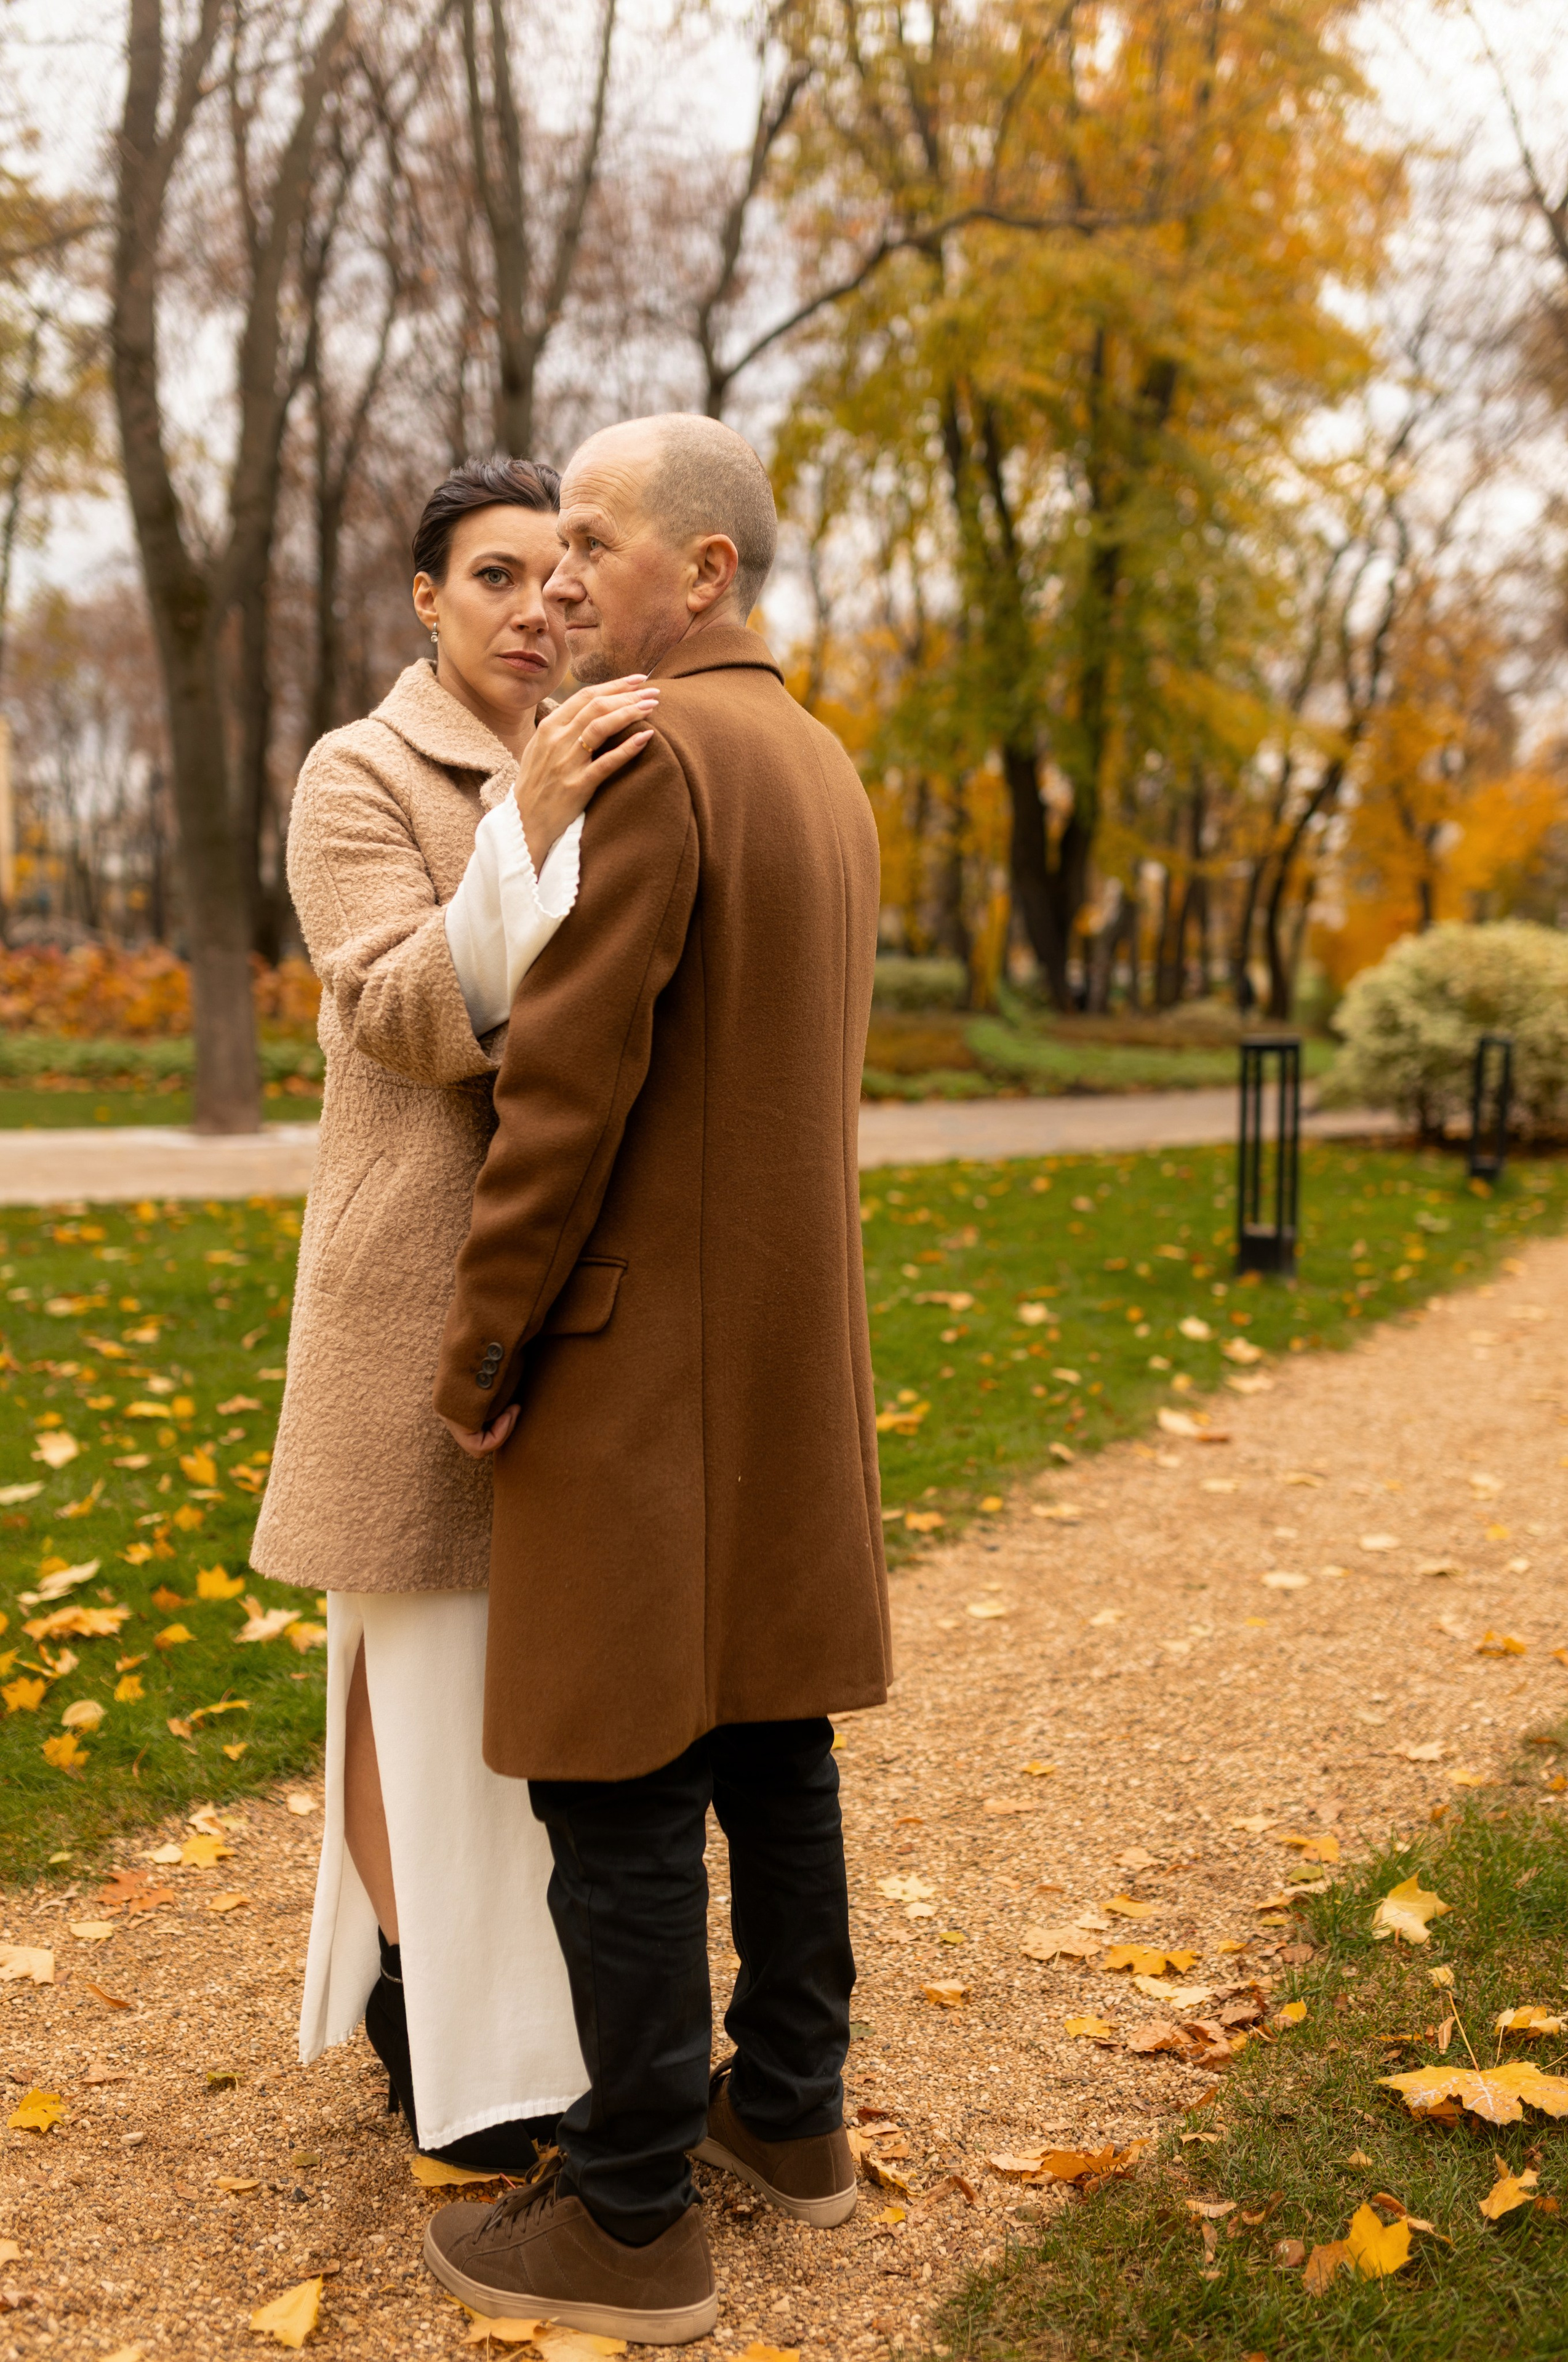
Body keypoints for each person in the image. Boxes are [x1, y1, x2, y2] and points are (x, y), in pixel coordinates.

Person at [418, 415, 891, 2345]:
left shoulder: (654, 750)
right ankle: (789, 2120)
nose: (564, 579)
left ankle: (630, 2220)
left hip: (635, 1355)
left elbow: (565, 1083)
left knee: (611, 1779)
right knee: (775, 1741)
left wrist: (483, 1346)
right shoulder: (824, 760)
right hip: (783, 1353)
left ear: (704, 571)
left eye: (600, 543)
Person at [250, 457, 659, 2166]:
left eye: (557, 573)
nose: (532, 606)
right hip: (416, 1292)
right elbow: (405, 1017)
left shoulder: (621, 749)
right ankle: (430, 2018)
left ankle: (548, 2036)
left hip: (584, 1293)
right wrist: (528, 829)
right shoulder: (357, 775)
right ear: (427, 600)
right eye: (493, 576)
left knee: (541, 1687)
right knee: (409, 1663)